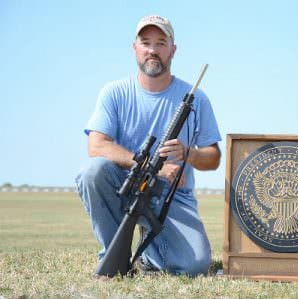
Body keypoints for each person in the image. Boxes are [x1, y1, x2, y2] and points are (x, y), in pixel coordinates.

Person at [75, 15, 221, 277]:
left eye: (161, 43)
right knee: (92, 172)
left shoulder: (197, 99)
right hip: (126, 186)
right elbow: (96, 146)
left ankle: (151, 255)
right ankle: (114, 256)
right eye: (146, 43)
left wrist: (189, 154)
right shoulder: (114, 92)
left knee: (195, 266)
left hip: (171, 198)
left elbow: (213, 158)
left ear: (172, 50)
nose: (153, 50)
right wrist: (148, 166)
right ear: (135, 48)